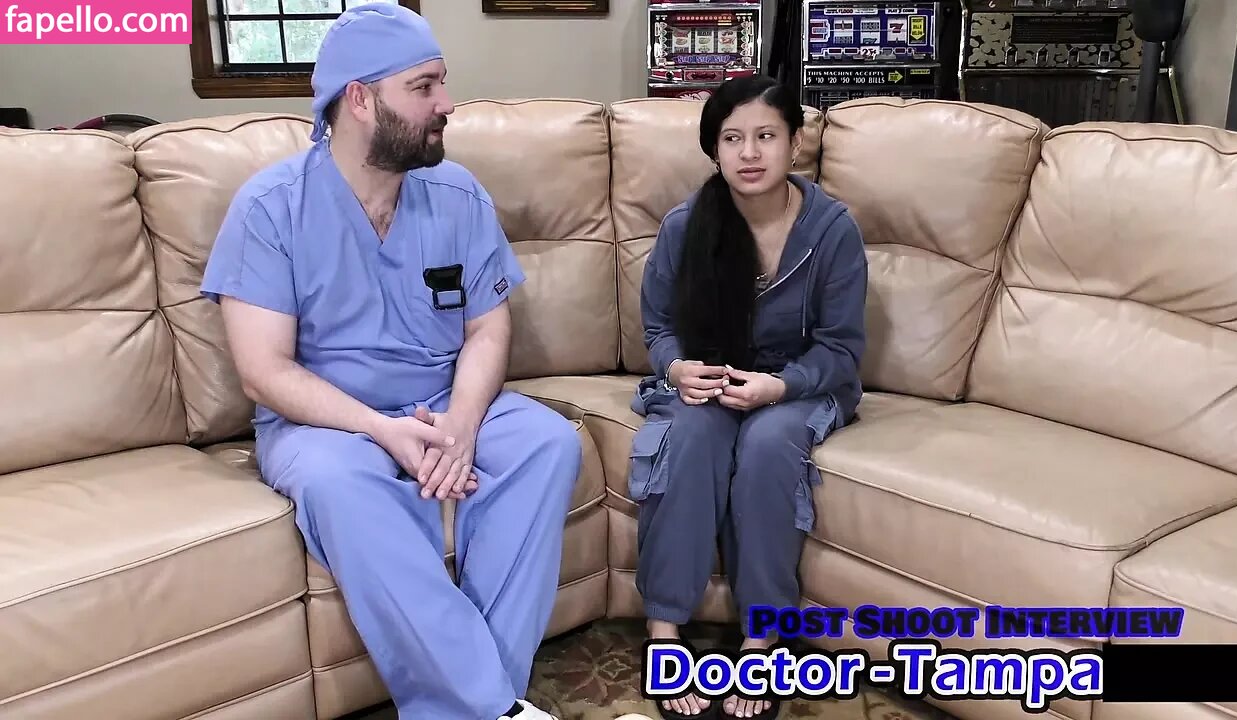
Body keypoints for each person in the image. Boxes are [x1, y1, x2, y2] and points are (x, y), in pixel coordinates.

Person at [199, 5, 581, 720]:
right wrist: (380, 430)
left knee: (548, 442)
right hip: (325, 422)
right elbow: (263, 371)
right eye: (424, 86)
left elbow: (487, 328)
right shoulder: (270, 209)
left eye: (443, 83)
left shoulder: (457, 194)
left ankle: (474, 704)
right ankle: (495, 706)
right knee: (339, 485)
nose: (447, 103)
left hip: (444, 396)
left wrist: (462, 422)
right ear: (359, 99)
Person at [629, 76, 868, 719]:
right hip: (709, 379)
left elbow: (841, 349)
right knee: (691, 435)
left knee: (767, 444)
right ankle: (664, 631)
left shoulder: (833, 230)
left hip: (798, 384)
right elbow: (659, 328)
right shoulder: (687, 225)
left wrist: (780, 386)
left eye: (766, 136)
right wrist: (677, 368)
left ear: (795, 144)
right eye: (732, 139)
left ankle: (762, 642)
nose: (750, 153)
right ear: (714, 150)